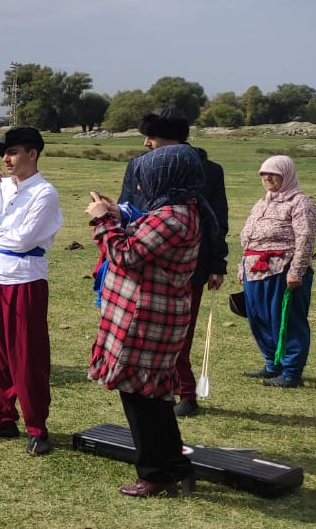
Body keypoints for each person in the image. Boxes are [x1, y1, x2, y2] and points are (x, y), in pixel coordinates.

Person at [86, 143, 210, 497]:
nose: (144, 185)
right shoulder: (179, 210)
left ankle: (154, 475)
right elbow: (142, 235)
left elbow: (124, 253)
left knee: (141, 401)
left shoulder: (173, 216)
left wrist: (102, 219)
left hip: (145, 320)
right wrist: (117, 214)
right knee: (153, 400)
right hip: (151, 317)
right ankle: (173, 465)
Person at [117, 108, 229, 417]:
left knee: (180, 333)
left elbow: (217, 219)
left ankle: (186, 391)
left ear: (170, 139)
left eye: (151, 137)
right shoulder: (137, 167)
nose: (146, 144)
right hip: (146, 259)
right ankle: (151, 388)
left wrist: (218, 263)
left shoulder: (210, 171)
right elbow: (128, 208)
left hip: (190, 264)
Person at [0, 127, 62, 456]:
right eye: (4, 153)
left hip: (24, 279)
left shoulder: (45, 193)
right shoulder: (2, 186)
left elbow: (23, 240)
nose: (6, 159)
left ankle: (38, 427)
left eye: (13, 152)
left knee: (26, 355)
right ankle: (2, 417)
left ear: (32, 154)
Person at [238, 155, 316, 389]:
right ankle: (272, 364)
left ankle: (291, 372)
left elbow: (305, 239)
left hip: (283, 270)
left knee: (286, 319)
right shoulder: (262, 202)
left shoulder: (300, 203)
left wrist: (296, 271)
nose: (267, 178)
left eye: (273, 174)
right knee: (259, 319)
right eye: (263, 174)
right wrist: (241, 267)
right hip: (254, 270)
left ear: (287, 175)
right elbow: (248, 239)